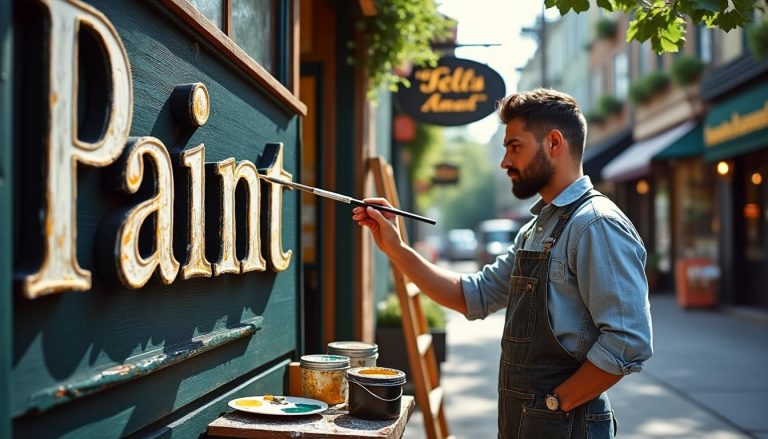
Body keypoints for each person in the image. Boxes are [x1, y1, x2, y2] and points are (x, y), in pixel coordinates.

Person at [352, 88, 652, 438]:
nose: (505, 161)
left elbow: (628, 342)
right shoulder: (535, 229)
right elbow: (472, 295)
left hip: (566, 427)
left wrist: (554, 404)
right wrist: (396, 248)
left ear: (554, 143)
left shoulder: (595, 224)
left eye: (515, 146)